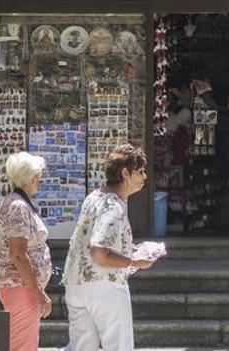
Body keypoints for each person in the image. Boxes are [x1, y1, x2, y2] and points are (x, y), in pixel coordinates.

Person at [62, 144, 156, 351]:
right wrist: (134, 261)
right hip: (104, 286)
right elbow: (99, 252)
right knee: (119, 346)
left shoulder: (93, 197)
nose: (144, 177)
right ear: (125, 173)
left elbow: (91, 239)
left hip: (75, 283)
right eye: (140, 172)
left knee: (81, 347)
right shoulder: (113, 205)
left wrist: (126, 248)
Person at [0, 152, 53, 351]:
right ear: (29, 178)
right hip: (21, 288)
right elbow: (18, 254)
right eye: (38, 176)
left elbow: (0, 246)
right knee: (22, 346)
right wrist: (38, 292)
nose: (40, 180)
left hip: (21, 286)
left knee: (24, 343)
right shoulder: (18, 206)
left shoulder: (16, 203)